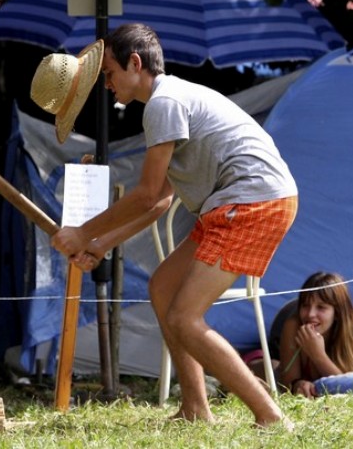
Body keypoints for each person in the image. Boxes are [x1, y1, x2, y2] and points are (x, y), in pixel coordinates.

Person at [30, 23, 298, 428]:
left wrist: (84, 234)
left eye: (109, 74)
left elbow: (144, 193)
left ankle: (270, 415)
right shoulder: (168, 103)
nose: (107, 85)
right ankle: (195, 409)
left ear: (135, 64)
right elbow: (159, 201)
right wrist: (102, 245)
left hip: (254, 201)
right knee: (162, 288)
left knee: (184, 318)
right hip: (234, 203)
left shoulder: (163, 103)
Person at [272, 272, 353, 398]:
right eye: (305, 305)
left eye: (321, 307)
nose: (310, 314)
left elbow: (352, 390)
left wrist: (317, 355)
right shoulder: (293, 326)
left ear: (337, 313)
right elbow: (287, 382)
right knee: (267, 366)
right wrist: (298, 384)